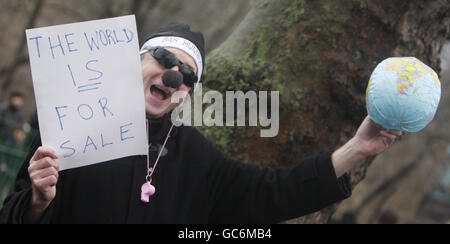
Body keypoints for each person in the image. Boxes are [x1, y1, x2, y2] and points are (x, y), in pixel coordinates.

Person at [0, 23, 402, 224]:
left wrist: (356, 149)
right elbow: (13, 214)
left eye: (188, 75)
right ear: (135, 62)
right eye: (162, 58)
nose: (174, 75)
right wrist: (38, 200)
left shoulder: (196, 157)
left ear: (187, 93)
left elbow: (272, 193)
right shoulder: (70, 129)